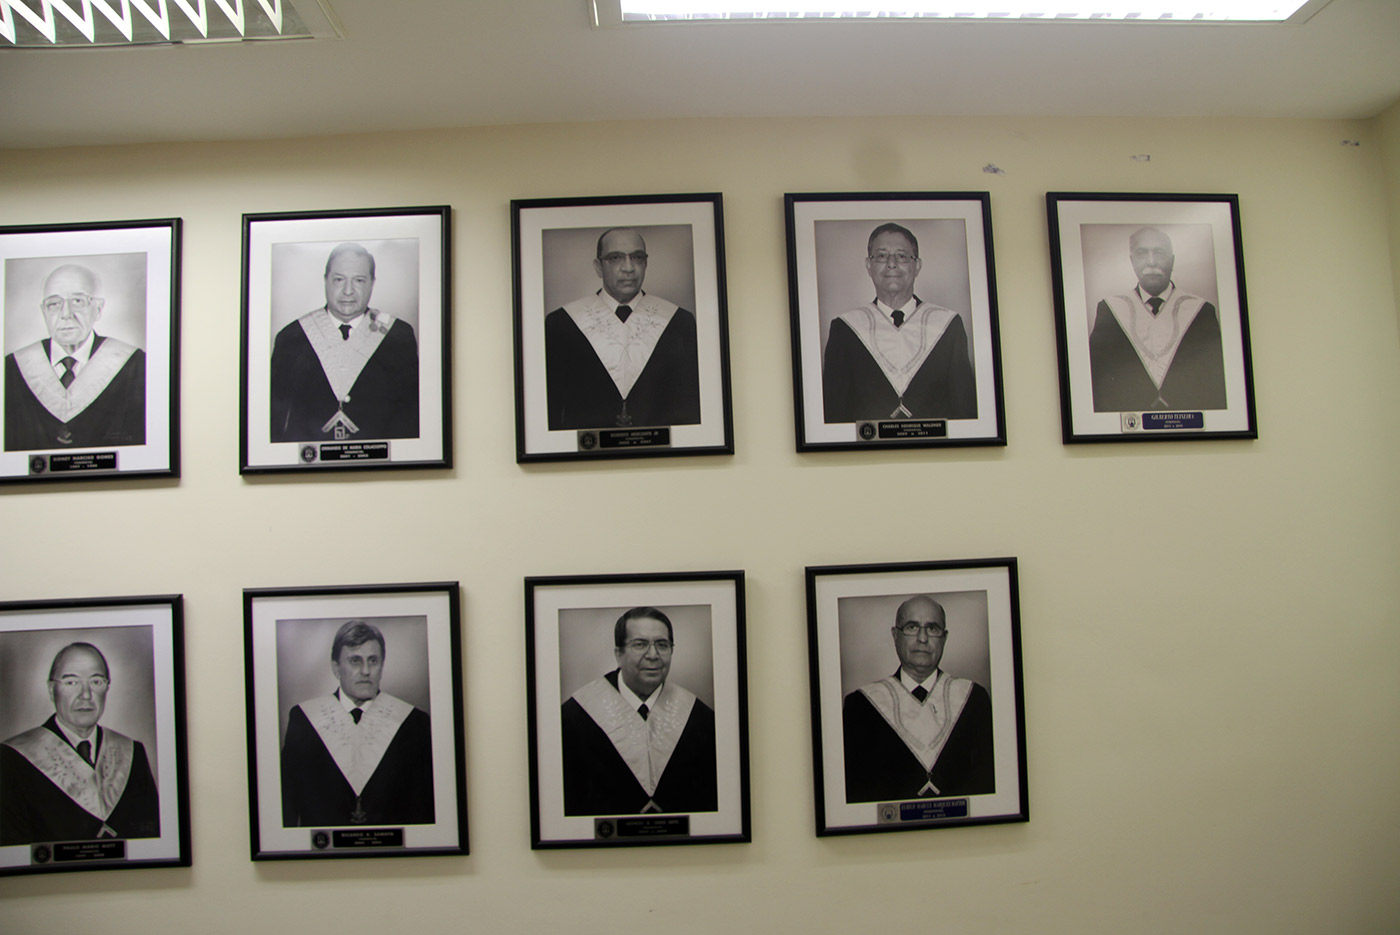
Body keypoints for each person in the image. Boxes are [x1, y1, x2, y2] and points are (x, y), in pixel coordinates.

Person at [559, 607, 717, 815]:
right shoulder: (572, 720)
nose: (653, 655)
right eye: (640, 644)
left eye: (662, 645)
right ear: (619, 654)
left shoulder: (703, 722)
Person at [0, 642, 160, 844]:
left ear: (107, 688)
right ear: (52, 690)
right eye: (71, 682)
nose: (86, 695)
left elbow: (151, 838)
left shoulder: (132, 752)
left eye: (96, 682)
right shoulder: (12, 758)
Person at [280, 620, 434, 827]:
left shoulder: (414, 723)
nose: (366, 671)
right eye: (355, 661)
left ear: (382, 666)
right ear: (336, 668)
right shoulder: (304, 720)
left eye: (373, 660)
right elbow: (288, 805)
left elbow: (424, 810)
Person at [544, 228, 701, 430]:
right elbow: (552, 411)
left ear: (646, 264)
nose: (628, 268)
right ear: (598, 267)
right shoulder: (561, 324)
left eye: (637, 257)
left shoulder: (680, 322)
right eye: (615, 258)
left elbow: (690, 407)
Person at [842, 595, 994, 802]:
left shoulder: (974, 699)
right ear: (895, 635)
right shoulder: (860, 706)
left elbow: (988, 784)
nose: (922, 638)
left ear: (944, 638)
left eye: (932, 628)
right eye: (912, 627)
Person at [822, 222, 976, 424]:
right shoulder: (844, 329)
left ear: (917, 266)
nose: (891, 264)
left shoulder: (948, 325)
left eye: (902, 256)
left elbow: (965, 411)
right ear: (868, 265)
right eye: (882, 256)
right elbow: (834, 415)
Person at [269, 242, 419, 442]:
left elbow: (411, 418)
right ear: (326, 281)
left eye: (359, 280)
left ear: (372, 283)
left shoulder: (398, 337)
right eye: (339, 279)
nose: (348, 291)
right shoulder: (291, 338)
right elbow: (274, 420)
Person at [4, 263, 145, 450]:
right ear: (43, 311)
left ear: (98, 308)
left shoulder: (136, 366)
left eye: (78, 301)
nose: (66, 314)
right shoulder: (10, 370)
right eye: (54, 304)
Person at [1088, 226, 1227, 412]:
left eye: (1159, 253)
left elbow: (1215, 384)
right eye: (1142, 253)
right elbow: (1098, 383)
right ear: (1132, 261)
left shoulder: (1202, 311)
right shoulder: (1110, 311)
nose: (1151, 262)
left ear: (1172, 260)